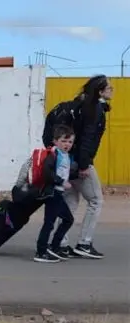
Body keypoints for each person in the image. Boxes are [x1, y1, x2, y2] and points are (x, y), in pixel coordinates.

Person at [56, 74, 112, 260]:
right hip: (80, 162)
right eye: (109, 87)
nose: (112, 90)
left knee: (70, 202)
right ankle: (84, 243)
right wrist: (84, 164)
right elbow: (87, 139)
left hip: (67, 160)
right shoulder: (93, 109)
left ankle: (60, 243)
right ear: (100, 91)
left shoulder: (80, 105)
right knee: (96, 200)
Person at [33, 125, 76, 263]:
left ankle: (54, 247)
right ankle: (41, 251)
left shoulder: (65, 156)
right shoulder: (54, 154)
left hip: (58, 194)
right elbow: (47, 172)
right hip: (52, 193)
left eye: (70, 142)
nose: (67, 144)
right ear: (55, 141)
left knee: (68, 220)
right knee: (49, 223)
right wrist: (61, 181)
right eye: (64, 141)